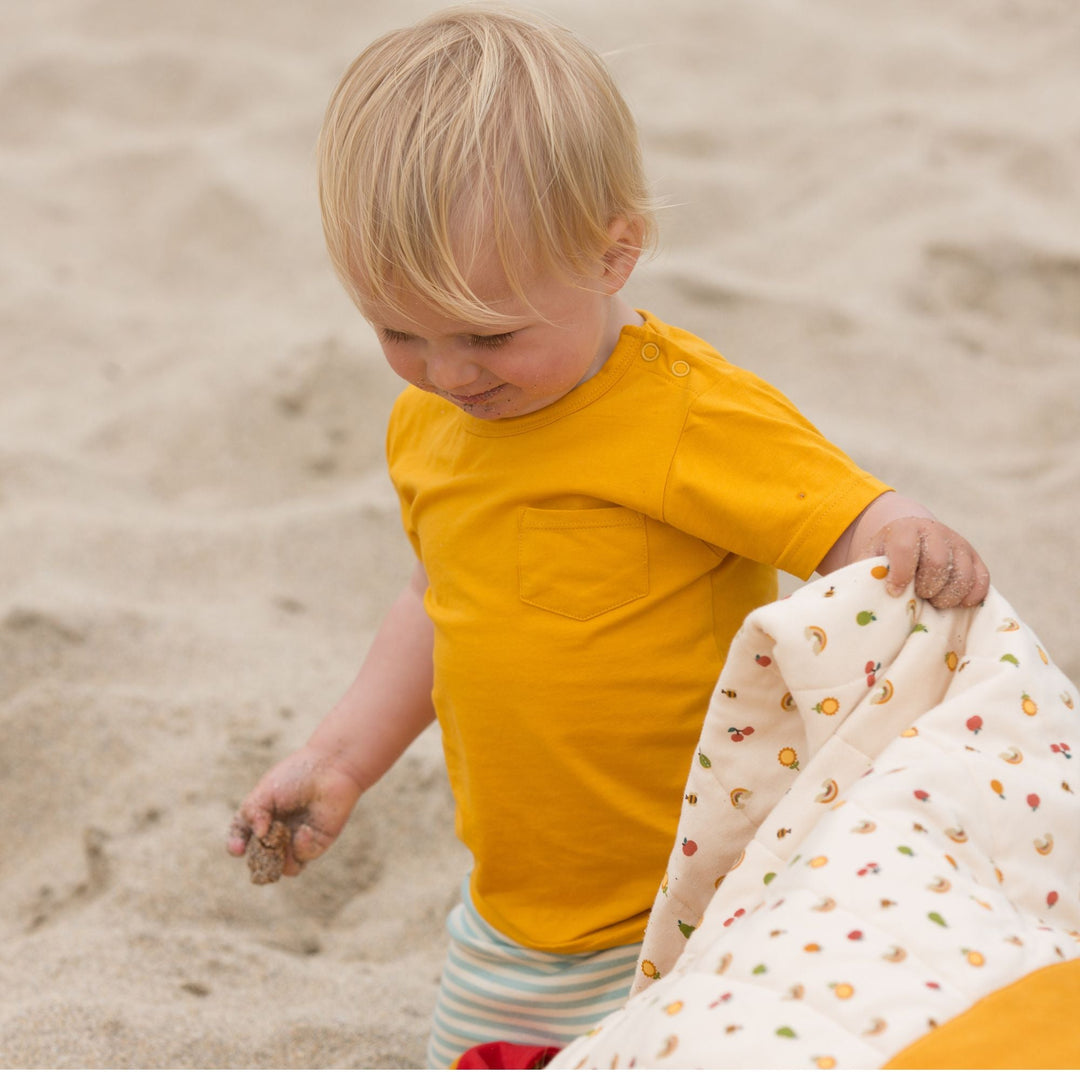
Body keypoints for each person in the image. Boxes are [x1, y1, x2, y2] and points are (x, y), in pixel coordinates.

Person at [226, 5, 989, 1067]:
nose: (449, 374)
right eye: (398, 331)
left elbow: (848, 519)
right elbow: (431, 601)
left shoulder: (683, 415)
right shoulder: (432, 422)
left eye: (488, 335)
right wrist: (341, 759)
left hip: (703, 907)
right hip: (513, 923)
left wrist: (907, 530)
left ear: (612, 253)